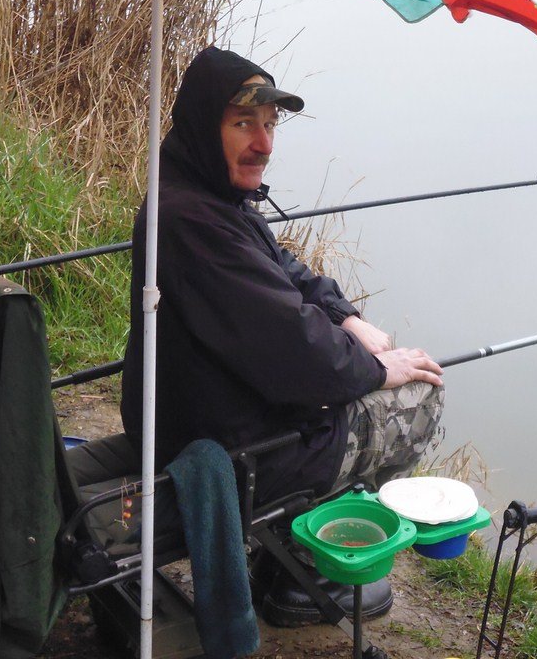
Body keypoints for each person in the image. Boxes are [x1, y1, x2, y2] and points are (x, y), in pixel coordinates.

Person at [121, 45, 445, 627]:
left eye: (270, 125)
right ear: (203, 125)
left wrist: (346, 318)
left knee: (361, 374)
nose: (264, 144)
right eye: (244, 123)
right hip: (226, 450)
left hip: (206, 412)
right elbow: (300, 355)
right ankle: (300, 571)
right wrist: (381, 370)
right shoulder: (195, 220)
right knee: (420, 395)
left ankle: (286, 548)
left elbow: (284, 270)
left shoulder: (205, 192)